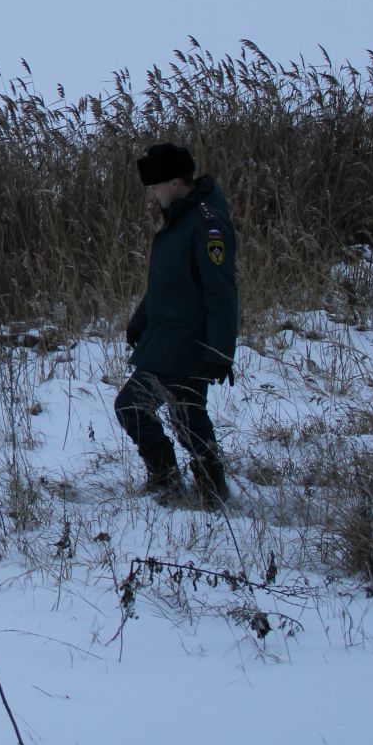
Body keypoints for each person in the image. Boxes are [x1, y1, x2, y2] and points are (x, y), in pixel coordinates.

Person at [117, 143, 238, 509]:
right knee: (153, 411)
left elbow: (221, 294)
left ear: (174, 182)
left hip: (189, 344)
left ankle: (205, 491)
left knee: (184, 418)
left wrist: (219, 351)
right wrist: (141, 321)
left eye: (154, 187)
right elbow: (167, 284)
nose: (151, 194)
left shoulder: (207, 224)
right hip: (165, 339)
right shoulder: (179, 220)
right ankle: (171, 479)